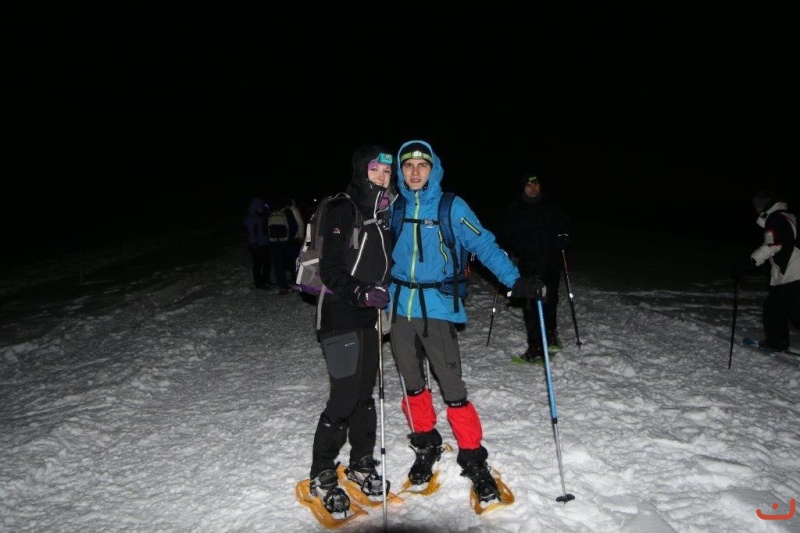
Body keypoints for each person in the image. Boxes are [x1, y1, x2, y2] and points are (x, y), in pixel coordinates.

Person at [388, 139, 545, 504]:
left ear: (434, 169)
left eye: (422, 165)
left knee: (452, 386)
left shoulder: (450, 206)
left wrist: (515, 280)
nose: (414, 171)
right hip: (398, 308)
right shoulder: (394, 207)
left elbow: (484, 245)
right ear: (400, 170)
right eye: (408, 165)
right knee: (412, 382)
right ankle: (426, 443)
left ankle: (473, 456)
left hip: (437, 306)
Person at [306, 145, 396, 515]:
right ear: (362, 171)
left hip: (368, 317)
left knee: (363, 395)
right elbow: (330, 268)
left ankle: (360, 463)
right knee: (344, 396)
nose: (382, 177)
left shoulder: (383, 214)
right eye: (375, 170)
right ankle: (321, 471)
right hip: (339, 314)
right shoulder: (344, 208)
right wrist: (360, 291)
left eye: (387, 172)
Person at [502, 173, 571, 361]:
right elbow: (508, 235)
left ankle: (551, 334)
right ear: (523, 188)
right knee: (531, 305)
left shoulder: (551, 205)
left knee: (551, 300)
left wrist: (564, 237)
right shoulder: (516, 208)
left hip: (551, 262)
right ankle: (536, 346)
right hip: (529, 264)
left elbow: (564, 225)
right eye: (529, 185)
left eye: (536, 184)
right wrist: (507, 248)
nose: (533, 188)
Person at [731, 189, 800, 352]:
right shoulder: (788, 216)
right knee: (774, 306)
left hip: (793, 271)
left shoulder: (774, 218)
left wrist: (750, 263)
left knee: (794, 312)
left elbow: (774, 245)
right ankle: (776, 342)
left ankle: (777, 342)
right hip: (790, 271)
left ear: (760, 207)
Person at [268, 197, 303, 295]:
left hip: (274, 243)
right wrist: (290, 238)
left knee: (278, 265)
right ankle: (298, 281)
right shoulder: (288, 212)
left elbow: (265, 228)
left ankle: (282, 286)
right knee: (295, 261)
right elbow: (295, 225)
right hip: (287, 243)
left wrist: (271, 239)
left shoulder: (270, 213)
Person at [243, 196, 272, 289]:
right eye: (260, 206)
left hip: (264, 244)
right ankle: (259, 283)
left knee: (267, 263)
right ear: (256, 207)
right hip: (257, 246)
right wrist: (253, 245)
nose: (262, 208)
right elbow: (251, 233)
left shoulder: (260, 217)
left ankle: (265, 280)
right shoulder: (251, 218)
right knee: (258, 264)